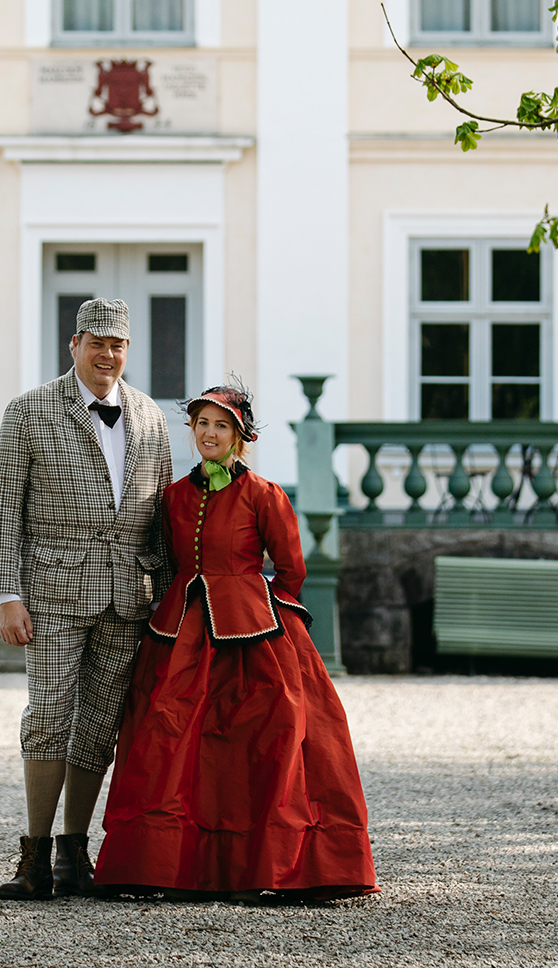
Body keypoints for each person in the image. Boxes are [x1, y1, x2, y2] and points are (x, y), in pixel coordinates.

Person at [95, 380, 377, 900]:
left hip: (253, 632)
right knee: (170, 736)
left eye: (220, 425)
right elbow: (171, 562)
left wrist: (268, 614)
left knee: (262, 738)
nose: (209, 433)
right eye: (202, 424)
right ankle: (168, 865)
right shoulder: (175, 494)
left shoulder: (264, 494)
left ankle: (265, 867)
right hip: (181, 629)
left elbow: (291, 570)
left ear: (239, 434)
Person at [0, 297, 173, 901]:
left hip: (130, 596)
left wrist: (168, 600)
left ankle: (74, 856)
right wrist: (8, 595)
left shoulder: (150, 415)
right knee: (47, 717)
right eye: (96, 343)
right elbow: (3, 508)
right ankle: (32, 858)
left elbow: (162, 518)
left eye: (117, 345)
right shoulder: (29, 410)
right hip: (53, 591)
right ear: (74, 345)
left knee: (99, 727)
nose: (107, 355)